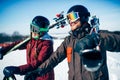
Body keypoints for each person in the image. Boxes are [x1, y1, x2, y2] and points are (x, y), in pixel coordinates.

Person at [24, 5, 120, 80]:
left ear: (83, 17)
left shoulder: (98, 35)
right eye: (68, 18)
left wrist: (96, 39)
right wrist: (38, 71)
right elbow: (54, 58)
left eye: (72, 16)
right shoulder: (69, 41)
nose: (70, 21)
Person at [0, 16, 54, 80]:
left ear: (42, 30)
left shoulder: (47, 44)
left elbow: (39, 63)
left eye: (35, 29)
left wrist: (18, 69)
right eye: (31, 27)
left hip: (43, 76)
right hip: (32, 74)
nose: (32, 31)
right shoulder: (32, 40)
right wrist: (4, 50)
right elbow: (18, 44)